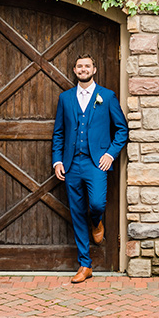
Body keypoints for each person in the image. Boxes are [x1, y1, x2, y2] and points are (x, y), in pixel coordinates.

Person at [51, 54, 128, 284]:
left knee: (96, 204)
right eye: (79, 66)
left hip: (96, 163)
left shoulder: (107, 96)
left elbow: (122, 130)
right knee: (76, 212)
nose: (83, 69)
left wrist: (110, 154)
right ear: (75, 70)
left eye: (87, 66)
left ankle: (97, 221)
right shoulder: (65, 98)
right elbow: (59, 132)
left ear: (94, 69)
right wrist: (57, 160)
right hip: (72, 163)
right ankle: (85, 264)